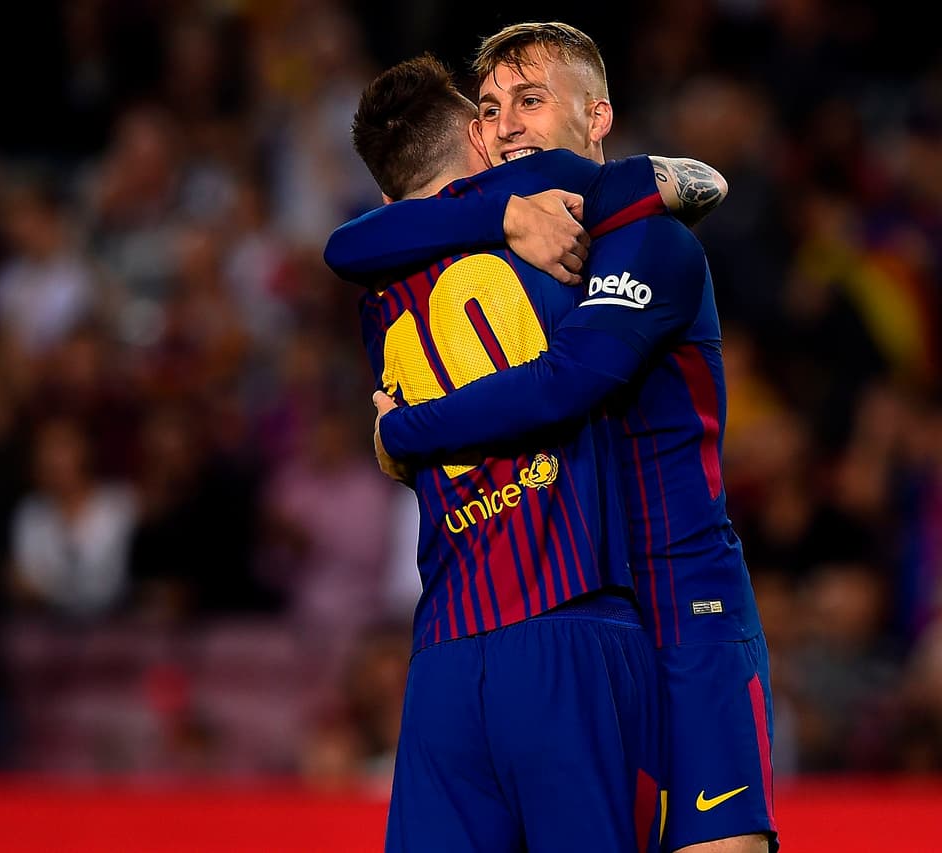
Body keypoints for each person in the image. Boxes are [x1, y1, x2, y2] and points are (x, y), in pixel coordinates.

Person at [328, 22, 776, 853]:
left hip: (686, 605)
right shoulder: (512, 244)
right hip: (588, 613)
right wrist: (504, 213)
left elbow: (567, 382)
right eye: (491, 107)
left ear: (597, 116)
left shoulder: (644, 236)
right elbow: (352, 240)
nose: (505, 125)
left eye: (531, 101)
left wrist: (405, 436)